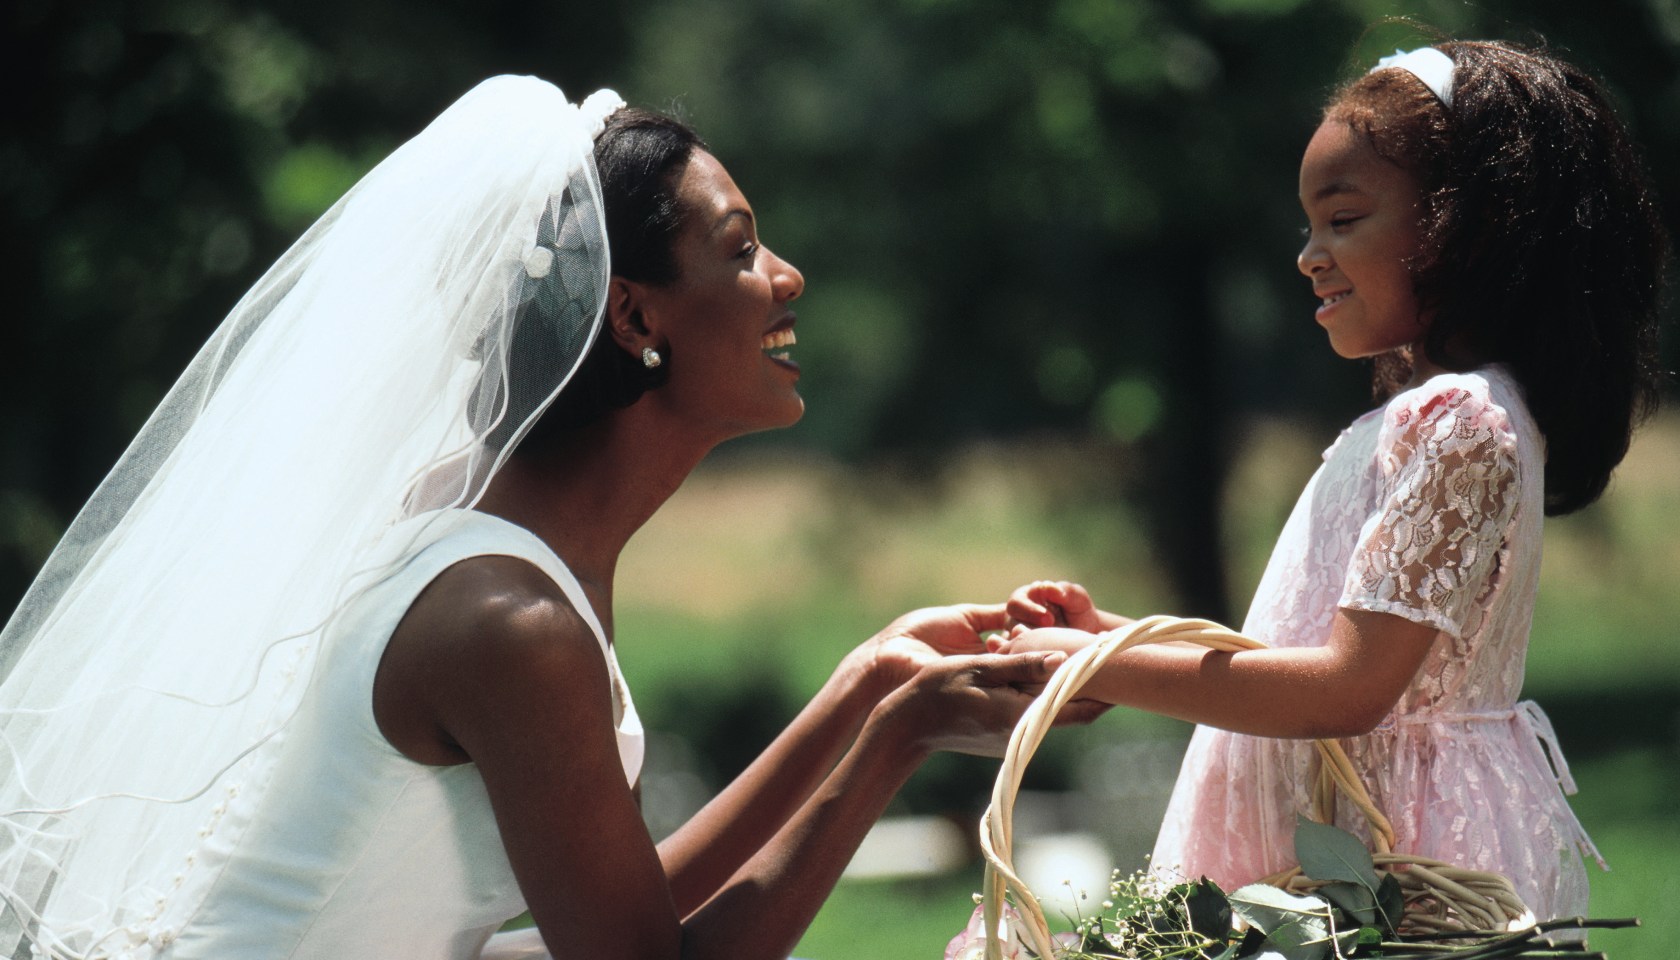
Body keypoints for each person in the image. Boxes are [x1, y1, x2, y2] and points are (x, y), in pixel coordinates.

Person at [0, 76, 1096, 959]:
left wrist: (869, 685)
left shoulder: (498, 549)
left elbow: (606, 910)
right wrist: (900, 739)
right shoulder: (508, 619)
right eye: (743, 248)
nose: (789, 276)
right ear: (630, 314)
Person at [994, 40, 1668, 920]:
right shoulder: (1413, 419)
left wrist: (1097, 671)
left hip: (1402, 849)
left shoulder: (1462, 421)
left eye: (1343, 220)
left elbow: (1350, 690)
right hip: (1349, 827)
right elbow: (1315, 653)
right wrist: (1115, 640)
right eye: (1309, 226)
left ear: (1469, 225)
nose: (1311, 254)